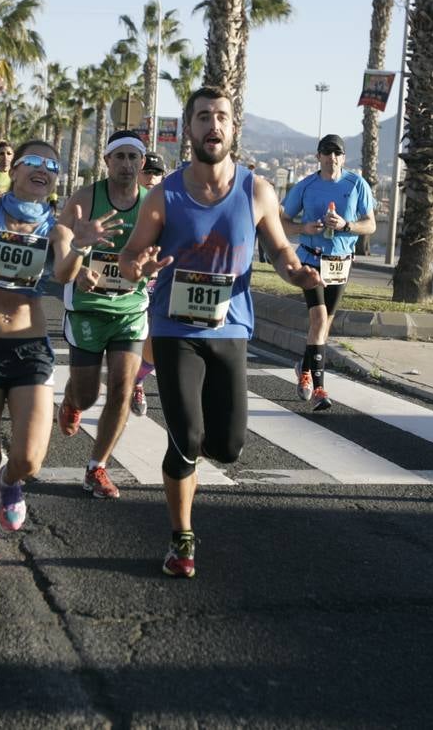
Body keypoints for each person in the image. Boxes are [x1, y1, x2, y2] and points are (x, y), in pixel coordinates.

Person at [119, 86, 321, 579]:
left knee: (228, 447)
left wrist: (295, 272)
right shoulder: (164, 195)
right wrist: (137, 265)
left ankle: (189, 467)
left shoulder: (257, 190)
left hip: (230, 330)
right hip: (174, 329)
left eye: (222, 117)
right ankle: (181, 537)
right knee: (186, 435)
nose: (213, 125)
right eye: (203, 117)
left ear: (233, 129)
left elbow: (278, 249)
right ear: (188, 130)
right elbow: (128, 260)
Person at [0, 69, 120, 570]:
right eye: (34, 161)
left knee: (29, 459)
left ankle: (12, 485)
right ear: (14, 169)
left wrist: (79, 249)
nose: (43, 168)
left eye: (52, 166)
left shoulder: (58, 226)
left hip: (30, 349)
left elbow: (62, 269)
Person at [56, 130, 152, 500]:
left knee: (122, 389)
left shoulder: (151, 203)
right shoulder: (85, 198)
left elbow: (162, 247)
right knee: (87, 394)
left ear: (142, 163)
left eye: (133, 157)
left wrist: (149, 268)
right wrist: (78, 268)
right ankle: (71, 400)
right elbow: (61, 241)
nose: (127, 164)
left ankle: (97, 467)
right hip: (87, 309)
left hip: (129, 308)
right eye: (120, 157)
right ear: (107, 161)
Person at [281, 134, 377, 410]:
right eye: (326, 152)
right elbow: (283, 222)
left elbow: (370, 225)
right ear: (318, 157)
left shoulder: (356, 184)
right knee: (319, 319)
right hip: (312, 260)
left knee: (323, 326)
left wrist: (346, 225)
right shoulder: (306, 186)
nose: (331, 157)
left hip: (340, 263)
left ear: (343, 158)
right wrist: (304, 229)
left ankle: (305, 367)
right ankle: (320, 388)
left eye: (337, 153)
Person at [129, 150, 166, 415]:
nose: (151, 177)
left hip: (157, 282)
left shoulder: (170, 205)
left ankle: (137, 381)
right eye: (147, 172)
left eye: (156, 173)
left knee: (154, 347)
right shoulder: (124, 202)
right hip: (125, 284)